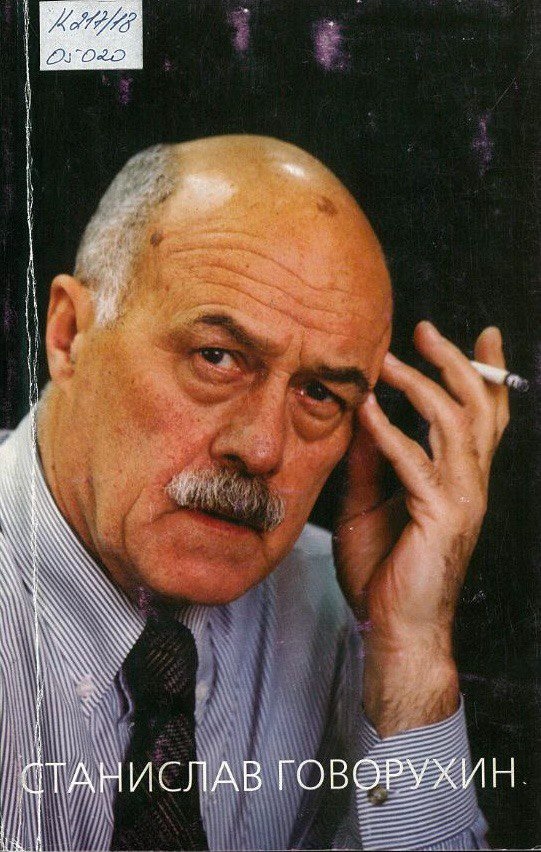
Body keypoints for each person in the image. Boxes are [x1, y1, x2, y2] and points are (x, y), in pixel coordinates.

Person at [0, 135, 509, 851]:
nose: (263, 448)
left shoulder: (346, 619)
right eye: (216, 357)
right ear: (68, 334)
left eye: (319, 394)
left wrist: (413, 655)